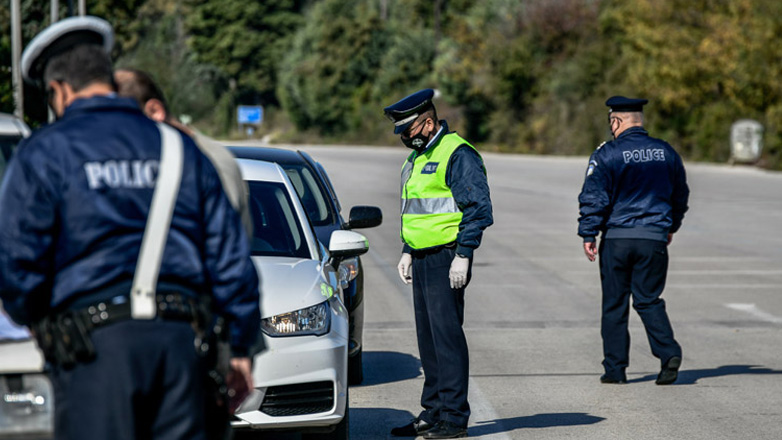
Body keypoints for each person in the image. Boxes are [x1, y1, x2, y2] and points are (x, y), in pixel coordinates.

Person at [0, 16, 260, 439]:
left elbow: (16, 265)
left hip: (90, 354)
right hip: (181, 348)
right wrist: (241, 348)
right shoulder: (178, 147)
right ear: (107, 76)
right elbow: (230, 259)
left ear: (59, 90)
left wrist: (45, 324)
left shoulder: (43, 152)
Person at [384, 89, 493, 439]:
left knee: (446, 339)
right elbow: (417, 210)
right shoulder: (416, 158)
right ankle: (433, 411)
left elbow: (478, 209)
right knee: (428, 340)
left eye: (408, 131)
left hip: (447, 257)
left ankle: (454, 418)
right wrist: (406, 249)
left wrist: (464, 254)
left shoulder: (457, 154)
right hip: (422, 256)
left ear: (428, 123)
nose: (404, 138)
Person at [578, 96, 689, 386]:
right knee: (648, 300)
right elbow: (680, 194)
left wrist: (589, 233)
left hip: (617, 239)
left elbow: (594, 197)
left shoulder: (607, 153)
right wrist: (670, 226)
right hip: (653, 238)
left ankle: (615, 370)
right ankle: (669, 353)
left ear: (616, 121)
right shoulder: (666, 152)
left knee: (614, 305)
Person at [114, 68, 254, 239]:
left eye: (123, 122)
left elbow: (226, 247)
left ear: (154, 111)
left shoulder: (210, 161)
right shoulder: (143, 159)